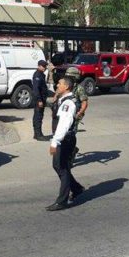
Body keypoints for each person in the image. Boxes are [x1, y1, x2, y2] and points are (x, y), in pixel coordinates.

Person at [46, 76, 85, 211]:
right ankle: (77, 188)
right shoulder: (63, 99)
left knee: (61, 167)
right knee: (60, 167)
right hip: (64, 138)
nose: (57, 85)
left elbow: (64, 124)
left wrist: (55, 142)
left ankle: (62, 201)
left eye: (60, 83)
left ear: (66, 87)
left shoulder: (68, 103)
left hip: (64, 139)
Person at [32, 60, 48, 141]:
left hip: (42, 98)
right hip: (39, 99)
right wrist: (39, 100)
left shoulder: (41, 74)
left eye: (45, 66)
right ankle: (38, 135)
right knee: (38, 117)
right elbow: (36, 89)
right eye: (43, 66)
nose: (44, 68)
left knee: (39, 116)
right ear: (39, 66)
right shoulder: (37, 75)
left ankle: (37, 134)